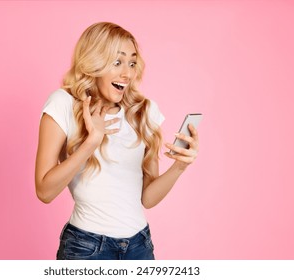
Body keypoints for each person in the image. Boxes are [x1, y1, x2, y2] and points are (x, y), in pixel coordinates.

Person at [35, 22, 199, 260]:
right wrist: (92, 142)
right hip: (85, 248)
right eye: (117, 62)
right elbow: (44, 191)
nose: (128, 73)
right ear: (94, 63)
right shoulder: (63, 104)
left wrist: (180, 166)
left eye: (132, 63)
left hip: (139, 246)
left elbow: (148, 198)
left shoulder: (144, 111)